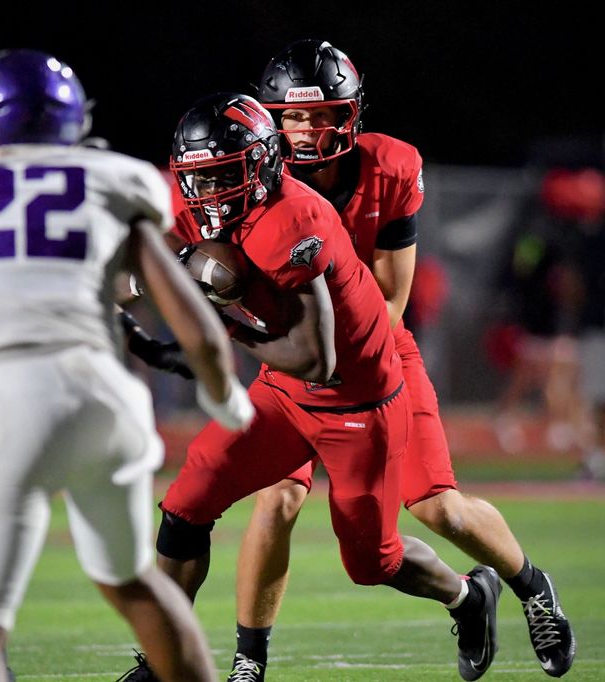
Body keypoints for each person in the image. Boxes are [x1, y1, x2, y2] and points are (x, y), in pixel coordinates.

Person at [0, 49, 255, 682]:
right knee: (133, 581)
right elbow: (195, 329)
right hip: (103, 397)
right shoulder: (111, 180)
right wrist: (223, 394)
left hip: (4, 399)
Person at [119, 92, 501, 682]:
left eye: (224, 175)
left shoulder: (294, 219)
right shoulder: (187, 203)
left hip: (355, 400)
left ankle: (469, 596)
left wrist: (214, 319)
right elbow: (135, 266)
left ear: (263, 163)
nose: (210, 192)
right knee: (185, 506)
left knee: (374, 561)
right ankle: (163, 660)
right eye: (199, 177)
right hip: (280, 396)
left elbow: (314, 359)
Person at [225, 39, 575, 680]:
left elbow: (390, 299)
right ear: (272, 119)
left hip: (378, 354)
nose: (308, 129)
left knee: (437, 506)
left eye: (324, 114)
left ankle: (531, 588)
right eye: (295, 117)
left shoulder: (389, 166)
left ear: (350, 114)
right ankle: (250, 662)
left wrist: (330, 363)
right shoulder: (258, 178)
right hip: (296, 357)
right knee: (276, 498)